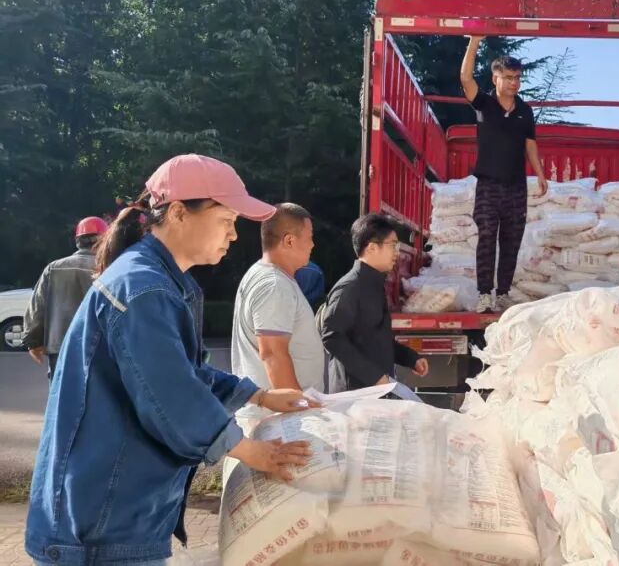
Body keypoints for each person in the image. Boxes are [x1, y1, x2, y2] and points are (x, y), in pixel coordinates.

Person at [25, 154, 316, 566]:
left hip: (112, 514)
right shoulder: (144, 288)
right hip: (98, 526)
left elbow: (185, 372)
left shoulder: (161, 281)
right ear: (179, 213)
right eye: (226, 220)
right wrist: (253, 452)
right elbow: (171, 398)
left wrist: (260, 396)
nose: (234, 235)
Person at [460, 35, 547, 313]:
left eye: (517, 77)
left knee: (511, 240)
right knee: (487, 236)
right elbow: (465, 78)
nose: (514, 82)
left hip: (516, 187)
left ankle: (504, 293)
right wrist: (474, 42)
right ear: (495, 77)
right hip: (488, 184)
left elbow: (530, 144)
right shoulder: (483, 103)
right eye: (508, 77)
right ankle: (485, 294)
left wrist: (540, 174)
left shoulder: (525, 111)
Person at [232, 204, 325, 418]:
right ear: (289, 240)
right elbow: (273, 354)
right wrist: (300, 410)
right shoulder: (275, 284)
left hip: (275, 416)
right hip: (280, 419)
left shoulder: (265, 275)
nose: (313, 244)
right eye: (309, 237)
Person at [320, 214, 430, 389]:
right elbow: (331, 337)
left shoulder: (374, 285)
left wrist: (411, 358)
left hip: (374, 392)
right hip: (354, 394)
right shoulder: (350, 287)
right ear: (371, 248)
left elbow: (376, 341)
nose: (397, 253)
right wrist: (373, 376)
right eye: (393, 245)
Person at [23, 217, 108, 380]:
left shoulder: (54, 268)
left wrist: (33, 342)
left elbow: (37, 307)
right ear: (104, 240)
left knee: (61, 393)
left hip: (59, 347)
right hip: (99, 349)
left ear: (77, 241)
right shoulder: (109, 268)